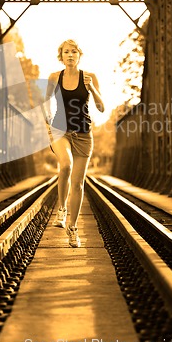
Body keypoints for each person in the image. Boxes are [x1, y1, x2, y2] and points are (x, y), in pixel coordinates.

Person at [44, 39, 105, 248]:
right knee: (66, 165)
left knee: (78, 183)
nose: (70, 55)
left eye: (74, 52)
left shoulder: (89, 77)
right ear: (61, 56)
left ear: (80, 55)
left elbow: (102, 107)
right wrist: (47, 122)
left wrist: (92, 89)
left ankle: (73, 228)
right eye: (66, 52)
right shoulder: (54, 77)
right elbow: (45, 103)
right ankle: (61, 209)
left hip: (84, 133)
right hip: (61, 131)